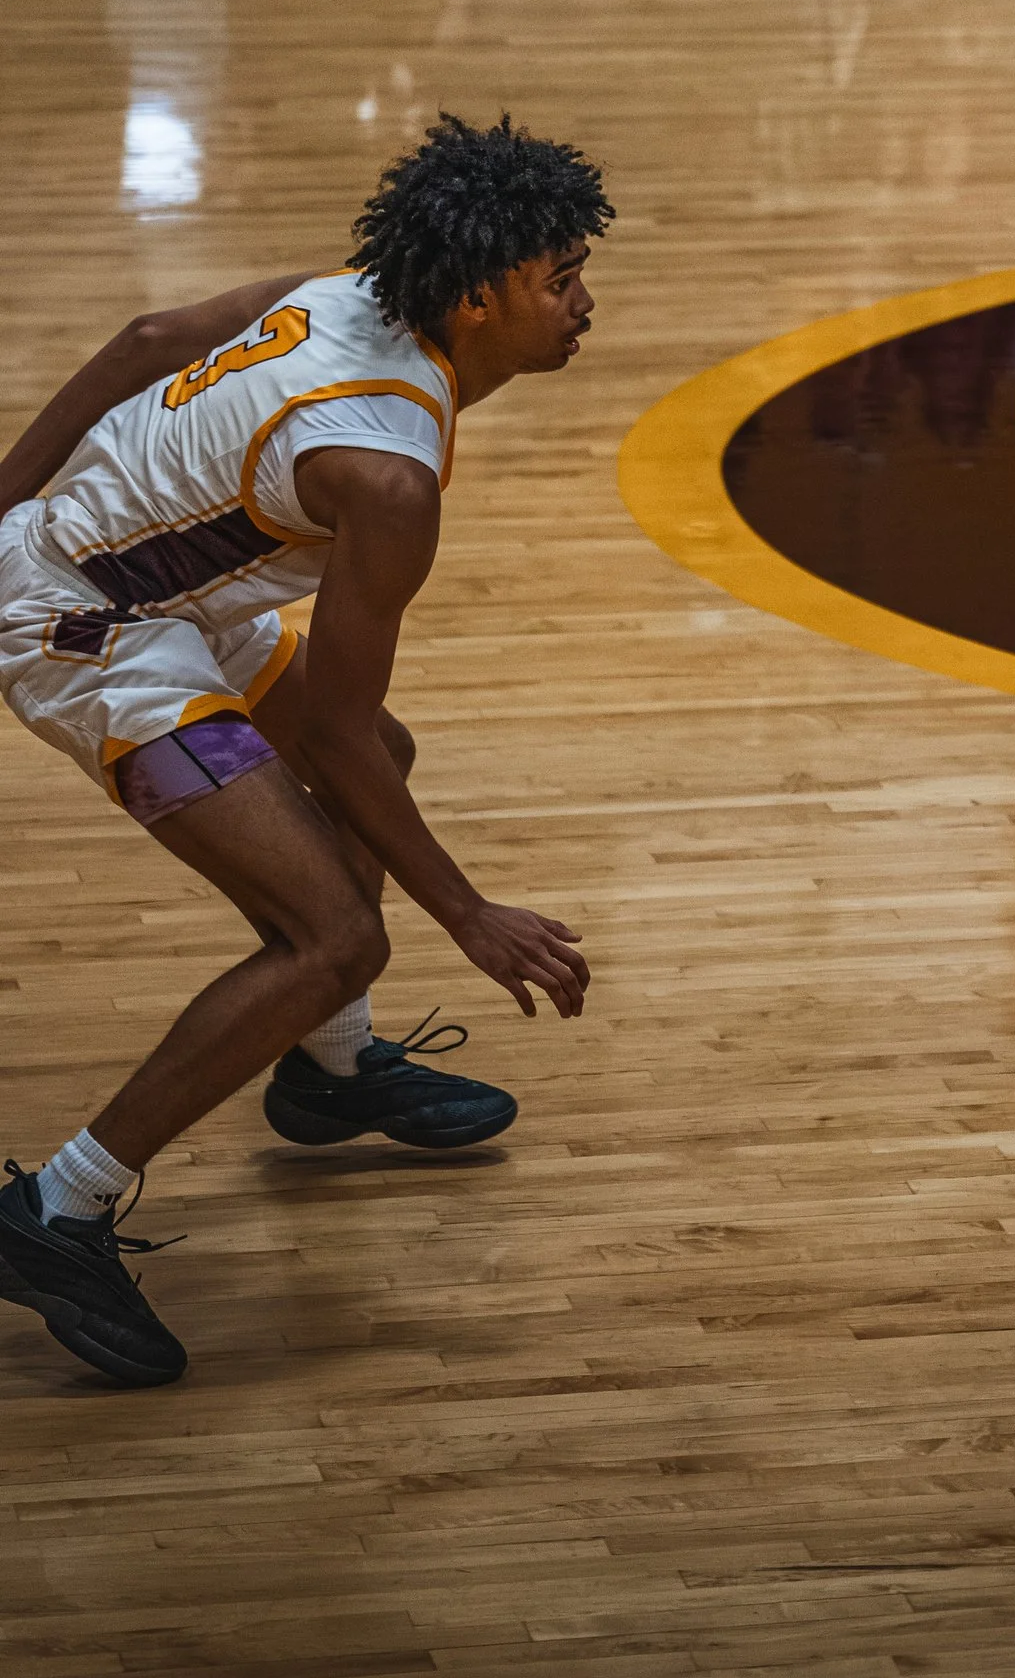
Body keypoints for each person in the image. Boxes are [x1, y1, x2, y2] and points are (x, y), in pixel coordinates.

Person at [0, 116, 606, 1390]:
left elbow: (149, 341)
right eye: (561, 280)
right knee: (334, 932)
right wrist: (472, 915)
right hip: (85, 636)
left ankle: (328, 1074)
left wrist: (5, 493)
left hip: (146, 592)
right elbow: (321, 733)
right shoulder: (388, 476)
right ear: (481, 296)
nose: (584, 304)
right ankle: (56, 1211)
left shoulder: (349, 288)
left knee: (383, 745)